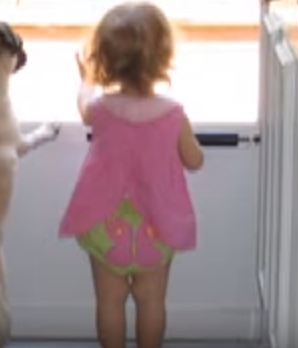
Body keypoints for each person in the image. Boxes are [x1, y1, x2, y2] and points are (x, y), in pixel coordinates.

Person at [59, 2, 204, 347]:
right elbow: (194, 160)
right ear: (163, 59)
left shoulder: (101, 109)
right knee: (151, 302)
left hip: (106, 227)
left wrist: (87, 81)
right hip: (156, 229)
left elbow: (83, 108)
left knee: (109, 303)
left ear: (105, 61)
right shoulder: (173, 115)